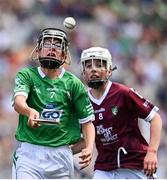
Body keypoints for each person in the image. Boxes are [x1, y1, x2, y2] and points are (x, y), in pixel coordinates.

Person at [12, 28, 95, 179]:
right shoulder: (27, 75)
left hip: (61, 155)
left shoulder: (73, 83)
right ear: (38, 51)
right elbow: (18, 102)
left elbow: (87, 122)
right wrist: (29, 111)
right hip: (29, 153)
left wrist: (89, 147)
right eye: (47, 44)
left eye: (57, 45)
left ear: (64, 54)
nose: (51, 48)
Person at [78, 46, 162, 179]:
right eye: (88, 66)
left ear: (109, 70)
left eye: (99, 65)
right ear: (83, 71)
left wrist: (152, 152)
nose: (93, 69)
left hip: (135, 163)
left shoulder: (123, 93)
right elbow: (87, 139)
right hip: (105, 168)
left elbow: (155, 118)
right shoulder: (83, 101)